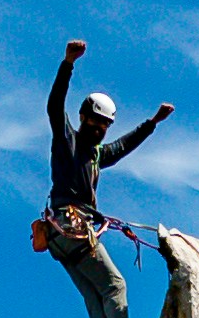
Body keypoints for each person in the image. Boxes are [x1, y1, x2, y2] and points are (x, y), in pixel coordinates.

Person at [47, 36, 171, 232]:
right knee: (100, 263)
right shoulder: (67, 140)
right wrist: (68, 63)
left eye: (105, 124)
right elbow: (55, 106)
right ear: (82, 117)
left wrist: (153, 122)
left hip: (83, 223)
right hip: (65, 220)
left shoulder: (97, 155)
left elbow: (124, 145)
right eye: (95, 120)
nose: (99, 127)